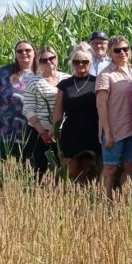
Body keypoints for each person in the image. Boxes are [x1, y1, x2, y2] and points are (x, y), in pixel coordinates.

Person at [96, 35, 132, 198]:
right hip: (114, 130)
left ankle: (122, 204)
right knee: (110, 168)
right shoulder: (105, 75)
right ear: (110, 53)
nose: (122, 53)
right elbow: (101, 105)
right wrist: (107, 132)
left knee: (130, 166)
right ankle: (103, 204)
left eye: (125, 49)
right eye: (117, 50)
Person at [53, 44, 100, 183]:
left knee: (89, 169)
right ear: (72, 63)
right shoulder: (64, 84)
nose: (80, 64)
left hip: (92, 130)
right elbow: (58, 109)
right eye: (76, 61)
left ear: (90, 63)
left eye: (85, 61)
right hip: (70, 131)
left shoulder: (97, 82)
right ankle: (73, 199)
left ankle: (88, 200)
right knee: (71, 169)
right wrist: (55, 130)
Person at [0, 40, 37, 160]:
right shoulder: (4, 72)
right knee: (4, 170)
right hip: (6, 130)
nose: (24, 53)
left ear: (34, 52)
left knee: (31, 170)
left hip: (34, 131)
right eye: (20, 51)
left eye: (28, 50)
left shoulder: (42, 73)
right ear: (16, 55)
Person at [22, 45, 70, 179]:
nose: (49, 62)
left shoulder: (67, 79)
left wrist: (56, 129)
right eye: (44, 60)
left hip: (63, 131)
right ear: (38, 62)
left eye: (51, 58)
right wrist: (42, 131)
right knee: (39, 168)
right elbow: (28, 108)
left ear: (57, 58)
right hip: (39, 132)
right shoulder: (34, 82)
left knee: (64, 166)